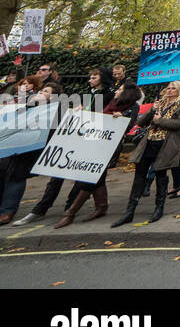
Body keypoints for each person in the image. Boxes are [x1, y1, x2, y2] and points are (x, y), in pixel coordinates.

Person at [15, 67, 114, 225]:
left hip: (84, 141)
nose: (90, 80)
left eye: (94, 77)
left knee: (81, 176)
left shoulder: (107, 95)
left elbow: (101, 115)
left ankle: (71, 207)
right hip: (66, 141)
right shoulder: (87, 94)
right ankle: (42, 209)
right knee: (57, 176)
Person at [54, 81, 142, 227]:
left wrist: (122, 118)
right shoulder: (113, 102)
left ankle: (71, 213)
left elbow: (130, 124)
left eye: (120, 89)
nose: (116, 91)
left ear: (127, 92)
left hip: (109, 147)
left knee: (90, 176)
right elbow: (99, 118)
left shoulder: (133, 107)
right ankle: (101, 207)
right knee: (97, 176)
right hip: (95, 143)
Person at [111, 81, 180, 226]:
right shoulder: (158, 103)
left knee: (161, 175)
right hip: (149, 142)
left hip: (166, 144)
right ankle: (129, 211)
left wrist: (160, 120)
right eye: (168, 88)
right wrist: (151, 111)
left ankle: (158, 208)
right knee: (139, 176)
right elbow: (141, 122)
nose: (170, 90)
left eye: (174, 88)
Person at [0, 81, 63, 225]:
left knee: (17, 175)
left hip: (33, 147)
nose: (41, 93)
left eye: (46, 91)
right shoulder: (31, 105)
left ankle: (7, 211)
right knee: (3, 173)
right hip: (15, 144)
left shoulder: (56, 109)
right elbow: (16, 117)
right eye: (41, 90)